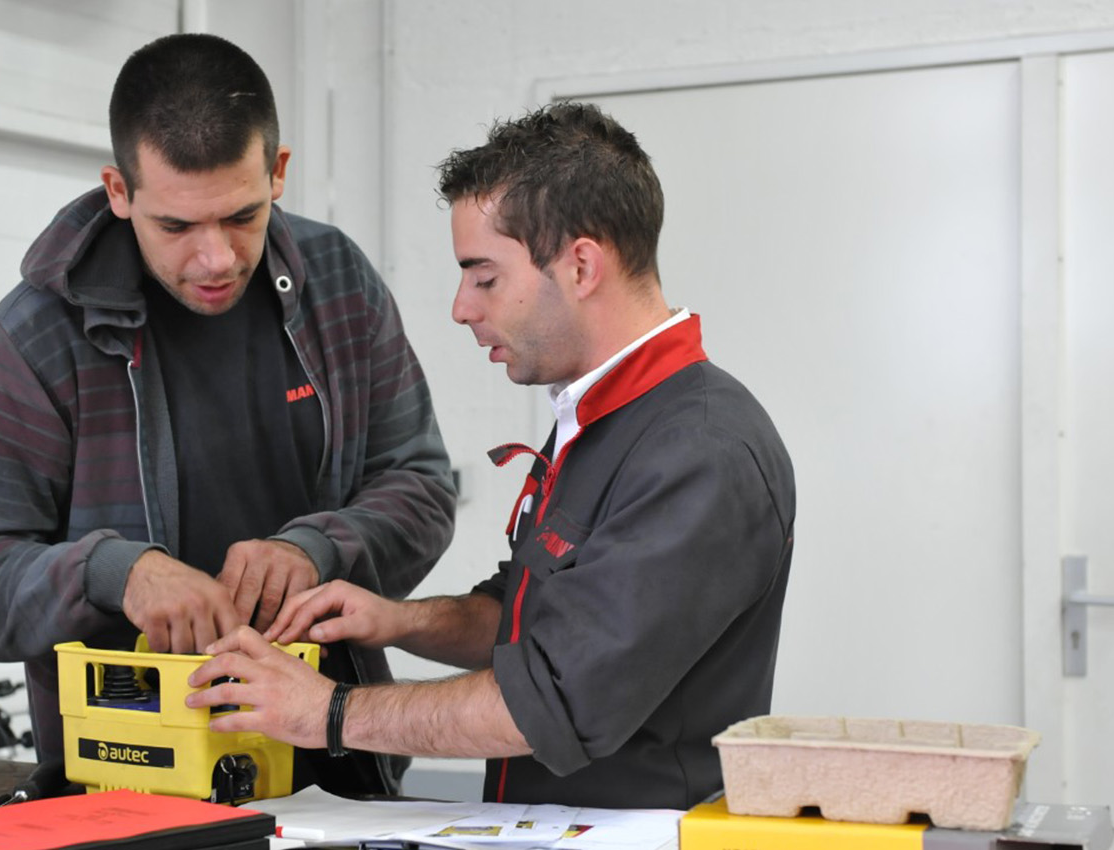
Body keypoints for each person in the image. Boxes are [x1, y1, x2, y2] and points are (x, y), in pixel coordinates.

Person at [185, 101, 795, 809]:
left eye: (484, 277)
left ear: (582, 266)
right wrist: (394, 619)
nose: (461, 308)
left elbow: (547, 702)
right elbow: (526, 621)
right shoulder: (599, 422)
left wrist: (326, 712)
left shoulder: (699, 453)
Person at [0, 33, 456, 798]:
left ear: (278, 171)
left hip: (339, 772)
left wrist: (317, 548)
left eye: (242, 216)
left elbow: (421, 486)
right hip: (122, 791)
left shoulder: (337, 281)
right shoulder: (33, 341)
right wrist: (116, 572)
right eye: (176, 227)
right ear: (118, 190)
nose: (215, 259)